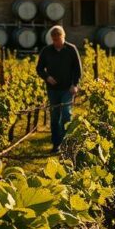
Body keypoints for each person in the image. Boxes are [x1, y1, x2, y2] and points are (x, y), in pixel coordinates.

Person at [36, 25, 82, 153]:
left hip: (68, 88)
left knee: (67, 114)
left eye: (59, 39)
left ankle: (66, 143)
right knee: (55, 116)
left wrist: (75, 84)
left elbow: (78, 69)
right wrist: (47, 77)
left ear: (63, 37)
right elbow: (39, 68)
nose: (57, 42)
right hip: (53, 89)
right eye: (54, 40)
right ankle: (56, 144)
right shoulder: (47, 51)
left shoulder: (71, 49)